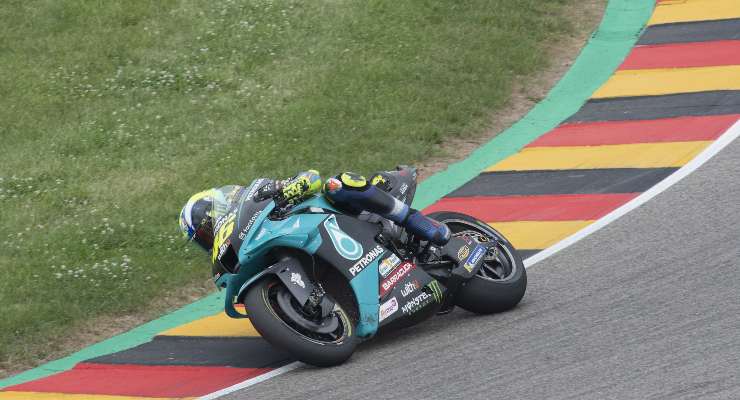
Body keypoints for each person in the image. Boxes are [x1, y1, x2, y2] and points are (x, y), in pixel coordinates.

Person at [179, 170, 451, 254]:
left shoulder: (257, 197)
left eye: (207, 227)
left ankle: (415, 220)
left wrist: (289, 189)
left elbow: (311, 177)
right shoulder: (240, 248)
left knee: (337, 183)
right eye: (202, 237)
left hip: (343, 216)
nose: (209, 236)